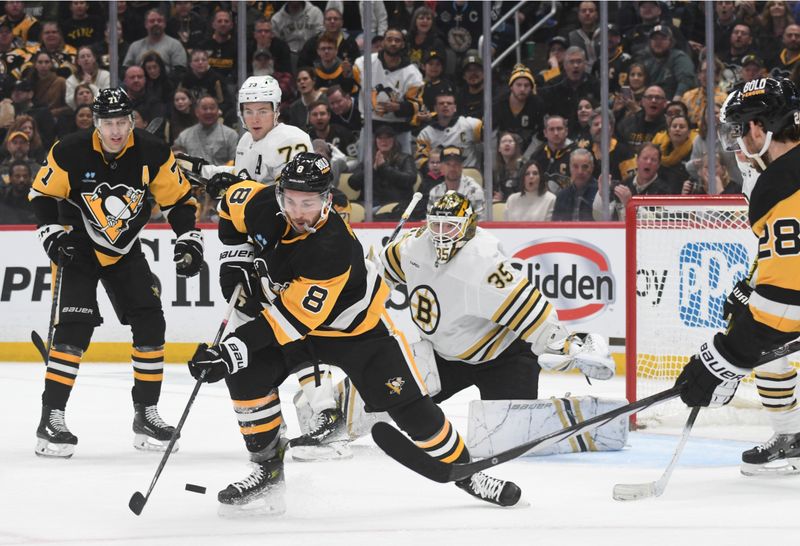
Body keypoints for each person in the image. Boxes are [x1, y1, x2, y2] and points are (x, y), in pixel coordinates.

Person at [188, 153, 522, 512]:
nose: (299, 212)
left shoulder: (331, 249)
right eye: (291, 201)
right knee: (246, 373)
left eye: (309, 203)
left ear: (327, 201)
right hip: (297, 323)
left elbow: (286, 323)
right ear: (280, 193)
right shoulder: (261, 203)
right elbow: (230, 208)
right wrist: (234, 262)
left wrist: (230, 351)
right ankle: (267, 470)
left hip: (356, 332)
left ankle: (468, 473)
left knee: (411, 409)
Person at [29, 88, 204, 458]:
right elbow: (43, 195)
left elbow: (178, 201)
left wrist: (189, 238)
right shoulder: (69, 149)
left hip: (124, 248)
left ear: (131, 121)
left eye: (122, 122)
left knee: (151, 321)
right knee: (74, 329)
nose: (115, 131)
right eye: (108, 123)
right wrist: (51, 237)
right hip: (78, 246)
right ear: (96, 122)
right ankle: (51, 418)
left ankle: (146, 414)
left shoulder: (153, 151)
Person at [379, 189, 612, 407]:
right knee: (383, 394)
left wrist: (569, 346)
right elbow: (385, 268)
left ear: (468, 226)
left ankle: (563, 407)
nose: (441, 235)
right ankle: (341, 423)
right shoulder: (413, 247)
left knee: (509, 435)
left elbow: (531, 310)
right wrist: (371, 280)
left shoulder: (483, 264)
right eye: (436, 226)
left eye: (450, 227)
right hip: (441, 356)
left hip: (502, 358)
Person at [676, 77, 800, 476]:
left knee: (768, 339)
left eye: (739, 130)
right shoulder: (779, 176)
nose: (739, 145)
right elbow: (781, 265)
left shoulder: (782, 185)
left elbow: (786, 298)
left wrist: (727, 357)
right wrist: (752, 287)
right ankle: (791, 438)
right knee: (774, 357)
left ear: (758, 129)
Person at [349, 123, 416, 209]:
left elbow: (409, 180)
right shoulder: (368, 160)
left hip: (396, 206)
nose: (384, 141)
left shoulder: (405, 158)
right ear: (375, 140)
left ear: (394, 140)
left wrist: (383, 168)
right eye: (380, 138)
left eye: (388, 137)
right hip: (369, 205)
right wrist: (373, 169)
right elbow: (352, 183)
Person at [415, 89, 482, 170]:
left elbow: (490, 140)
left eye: (449, 103)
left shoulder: (471, 124)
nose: (445, 105)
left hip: (468, 174)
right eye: (441, 103)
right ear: (435, 109)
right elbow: (420, 161)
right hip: (439, 176)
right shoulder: (425, 134)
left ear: (455, 108)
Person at [173, 95, 238, 166]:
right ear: (197, 112)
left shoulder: (231, 135)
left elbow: (235, 163)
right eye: (204, 108)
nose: (208, 111)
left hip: (222, 175)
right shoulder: (184, 136)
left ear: (218, 111)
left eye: (212, 108)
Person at [427, 145, 485, 219]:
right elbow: (431, 221)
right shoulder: (435, 192)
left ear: (462, 167)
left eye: (456, 164)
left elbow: (479, 221)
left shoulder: (474, 190)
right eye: (448, 164)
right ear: (441, 168)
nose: (452, 168)